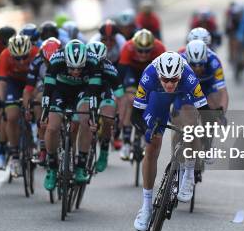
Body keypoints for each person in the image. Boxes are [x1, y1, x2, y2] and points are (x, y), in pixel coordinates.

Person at [130, 52, 211, 231]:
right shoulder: (149, 75)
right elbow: (135, 115)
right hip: (158, 98)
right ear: (158, 75)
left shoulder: (189, 78)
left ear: (180, 75)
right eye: (165, 79)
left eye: (173, 79)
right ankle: (146, 206)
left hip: (184, 96)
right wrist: (147, 131)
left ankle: (189, 173)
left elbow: (205, 111)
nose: (169, 84)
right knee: (151, 148)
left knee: (190, 126)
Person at [41, 40, 102, 190]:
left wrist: (93, 116)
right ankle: (52, 167)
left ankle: (81, 166)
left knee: (85, 120)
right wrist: (44, 112)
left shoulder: (93, 61)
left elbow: (94, 93)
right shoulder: (56, 59)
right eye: (72, 68)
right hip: (60, 90)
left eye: (79, 69)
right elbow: (48, 89)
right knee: (52, 127)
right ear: (66, 61)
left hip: (83, 91)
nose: (75, 72)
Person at [0, 35, 40, 172]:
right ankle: (14, 156)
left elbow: (42, 79)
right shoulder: (4, 55)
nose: (21, 61)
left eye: (24, 57)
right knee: (11, 116)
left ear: (29, 51)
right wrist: (0, 100)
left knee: (38, 104)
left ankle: (37, 135)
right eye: (17, 58)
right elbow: (1, 81)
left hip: (32, 82)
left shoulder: (36, 52)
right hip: (13, 83)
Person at [118, 29, 166, 160]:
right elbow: (121, 73)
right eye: (140, 51)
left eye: (147, 51)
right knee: (131, 100)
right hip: (132, 72)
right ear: (134, 47)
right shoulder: (127, 47)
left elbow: (165, 73)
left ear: (153, 47)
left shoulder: (160, 48)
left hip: (151, 73)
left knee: (153, 100)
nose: (143, 54)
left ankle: (146, 135)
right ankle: (126, 142)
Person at [23, 37, 62, 165]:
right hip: (44, 86)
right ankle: (43, 146)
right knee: (39, 98)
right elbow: (28, 88)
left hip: (61, 86)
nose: (49, 64)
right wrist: (27, 108)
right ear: (42, 57)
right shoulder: (37, 62)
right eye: (46, 61)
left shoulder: (66, 59)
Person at [87, 41, 124, 172]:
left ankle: (103, 152)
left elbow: (120, 96)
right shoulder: (80, 65)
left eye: (99, 62)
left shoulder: (109, 68)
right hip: (86, 89)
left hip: (104, 89)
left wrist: (118, 115)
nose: (95, 65)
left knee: (108, 119)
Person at [181, 40, 229, 111]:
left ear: (206, 60)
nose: (197, 68)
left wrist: (221, 114)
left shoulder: (214, 61)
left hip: (207, 85)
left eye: (200, 64)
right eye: (193, 64)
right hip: (188, 89)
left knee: (215, 104)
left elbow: (223, 91)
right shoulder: (181, 62)